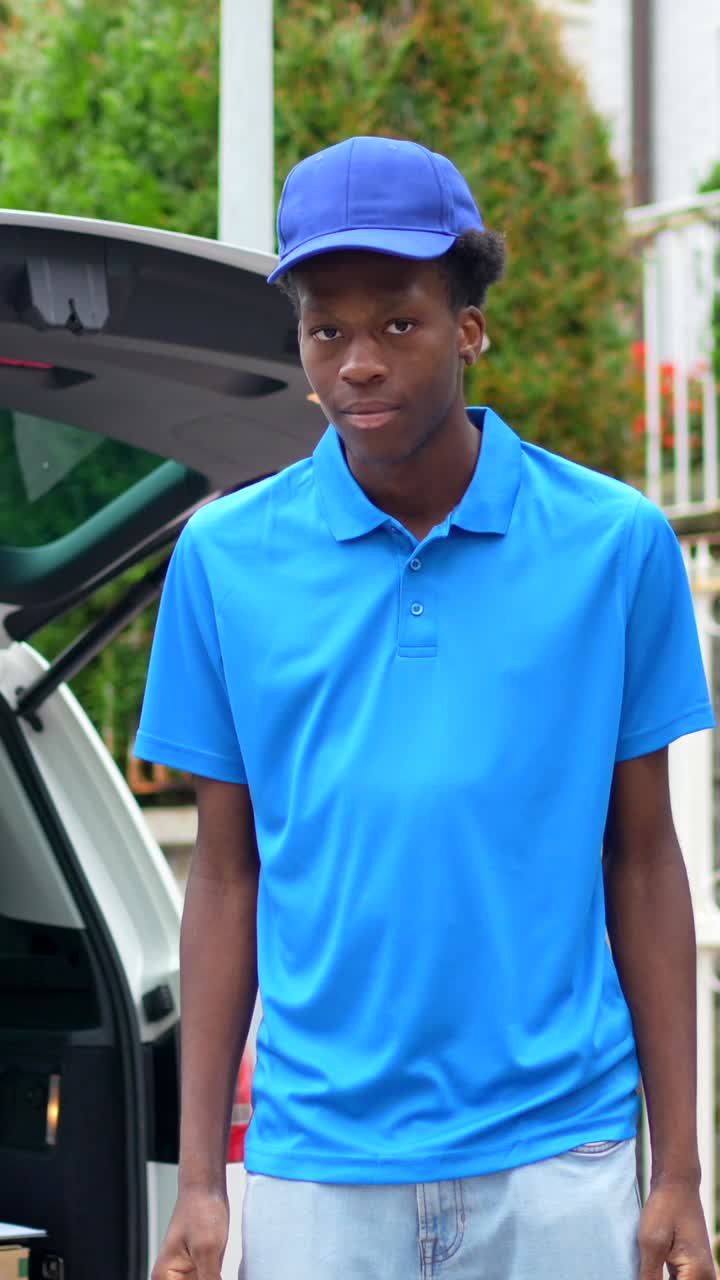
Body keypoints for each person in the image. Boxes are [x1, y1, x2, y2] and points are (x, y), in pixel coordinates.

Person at [136, 136, 717, 1280]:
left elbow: (644, 857)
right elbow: (226, 873)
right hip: (316, 1168)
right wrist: (202, 1179)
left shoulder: (614, 544)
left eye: (398, 322)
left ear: (470, 327)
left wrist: (682, 1173)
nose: (358, 362)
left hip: (559, 1156)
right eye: (326, 330)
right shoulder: (223, 558)